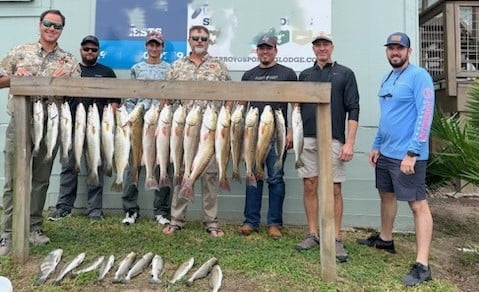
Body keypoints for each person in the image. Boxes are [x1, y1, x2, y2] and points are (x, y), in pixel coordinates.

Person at [0, 9, 81, 256]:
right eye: (47, 24)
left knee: (41, 178)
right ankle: (8, 233)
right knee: (14, 177)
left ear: (61, 30)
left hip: (51, 125)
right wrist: (15, 77)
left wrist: (66, 79)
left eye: (56, 26)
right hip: (21, 122)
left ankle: (34, 226)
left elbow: (78, 91)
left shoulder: (68, 60)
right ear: (39, 25)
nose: (51, 29)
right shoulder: (19, 52)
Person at [357, 32, 435, 286]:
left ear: (409, 52)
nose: (395, 52)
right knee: (386, 195)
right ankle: (386, 239)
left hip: (408, 156)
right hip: (387, 153)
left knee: (417, 204)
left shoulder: (419, 76)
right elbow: (387, 115)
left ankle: (422, 265)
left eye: (399, 48)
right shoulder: (388, 77)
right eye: (391, 48)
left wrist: (412, 152)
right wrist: (377, 144)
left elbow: (425, 114)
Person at [294, 32, 360, 263]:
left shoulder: (345, 74)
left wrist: (349, 142)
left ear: (332, 46)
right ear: (313, 48)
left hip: (333, 139)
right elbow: (297, 108)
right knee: (310, 184)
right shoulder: (304, 75)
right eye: (317, 45)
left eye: (325, 44)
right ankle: (313, 233)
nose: (322, 48)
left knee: (334, 189)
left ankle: (335, 237)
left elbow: (354, 109)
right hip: (308, 139)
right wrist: (294, 135)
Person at [162, 25, 232, 238]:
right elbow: (165, 96)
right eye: (195, 38)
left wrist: (226, 115)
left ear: (208, 41)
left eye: (203, 38)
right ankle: (176, 219)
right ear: (189, 40)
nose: (199, 41)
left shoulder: (218, 66)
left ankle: (211, 221)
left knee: (210, 175)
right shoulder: (176, 66)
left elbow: (231, 93)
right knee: (182, 171)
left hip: (210, 131)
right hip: (183, 129)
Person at [48, 35, 119, 223]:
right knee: (68, 166)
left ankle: (95, 211)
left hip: (98, 130)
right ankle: (63, 208)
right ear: (81, 50)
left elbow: (115, 102)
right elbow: (59, 98)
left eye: (93, 49)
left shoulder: (107, 72)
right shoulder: (71, 71)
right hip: (73, 128)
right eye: (86, 48)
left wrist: (109, 122)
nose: (89, 52)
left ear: (98, 52)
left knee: (95, 166)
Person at [238, 33, 297, 239]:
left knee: (276, 178)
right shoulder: (248, 75)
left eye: (268, 48)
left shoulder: (288, 73)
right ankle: (250, 221)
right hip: (253, 135)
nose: (265, 51)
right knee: (252, 176)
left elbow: (296, 105)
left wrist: (291, 131)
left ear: (275, 50)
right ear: (257, 51)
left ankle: (274, 223)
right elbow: (241, 107)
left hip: (277, 136)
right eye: (261, 48)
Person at [121, 31, 172, 226]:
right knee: (133, 166)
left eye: (157, 45)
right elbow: (129, 99)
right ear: (146, 46)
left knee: (161, 166)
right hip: (139, 123)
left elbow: (173, 100)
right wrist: (131, 118)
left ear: (162, 47)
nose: (154, 48)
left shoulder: (169, 70)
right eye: (151, 44)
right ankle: (130, 210)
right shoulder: (136, 69)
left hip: (160, 124)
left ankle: (162, 211)